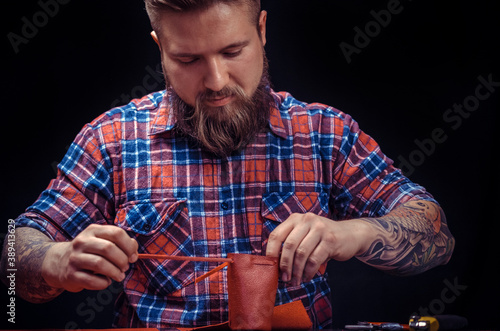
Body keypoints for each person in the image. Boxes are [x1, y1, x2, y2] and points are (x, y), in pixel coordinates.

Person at [1, 0, 455, 329]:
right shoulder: (111, 139)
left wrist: (350, 233)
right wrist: (57, 259)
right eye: (187, 59)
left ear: (261, 30)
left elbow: (437, 238)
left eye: (233, 51)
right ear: (160, 48)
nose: (216, 81)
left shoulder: (324, 133)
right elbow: (11, 258)